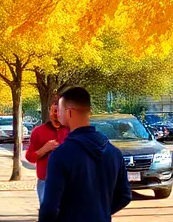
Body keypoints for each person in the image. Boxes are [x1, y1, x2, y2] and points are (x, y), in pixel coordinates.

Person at [38, 86, 131, 222]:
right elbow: (124, 195)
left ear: (69, 112)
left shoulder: (60, 155)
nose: (57, 115)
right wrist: (100, 213)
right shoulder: (114, 153)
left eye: (60, 111)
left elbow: (50, 207)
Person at [26, 99, 70, 203]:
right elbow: (30, 157)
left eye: (60, 111)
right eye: (54, 111)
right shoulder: (38, 131)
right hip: (45, 181)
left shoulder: (72, 131)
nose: (57, 114)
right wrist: (44, 149)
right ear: (50, 112)